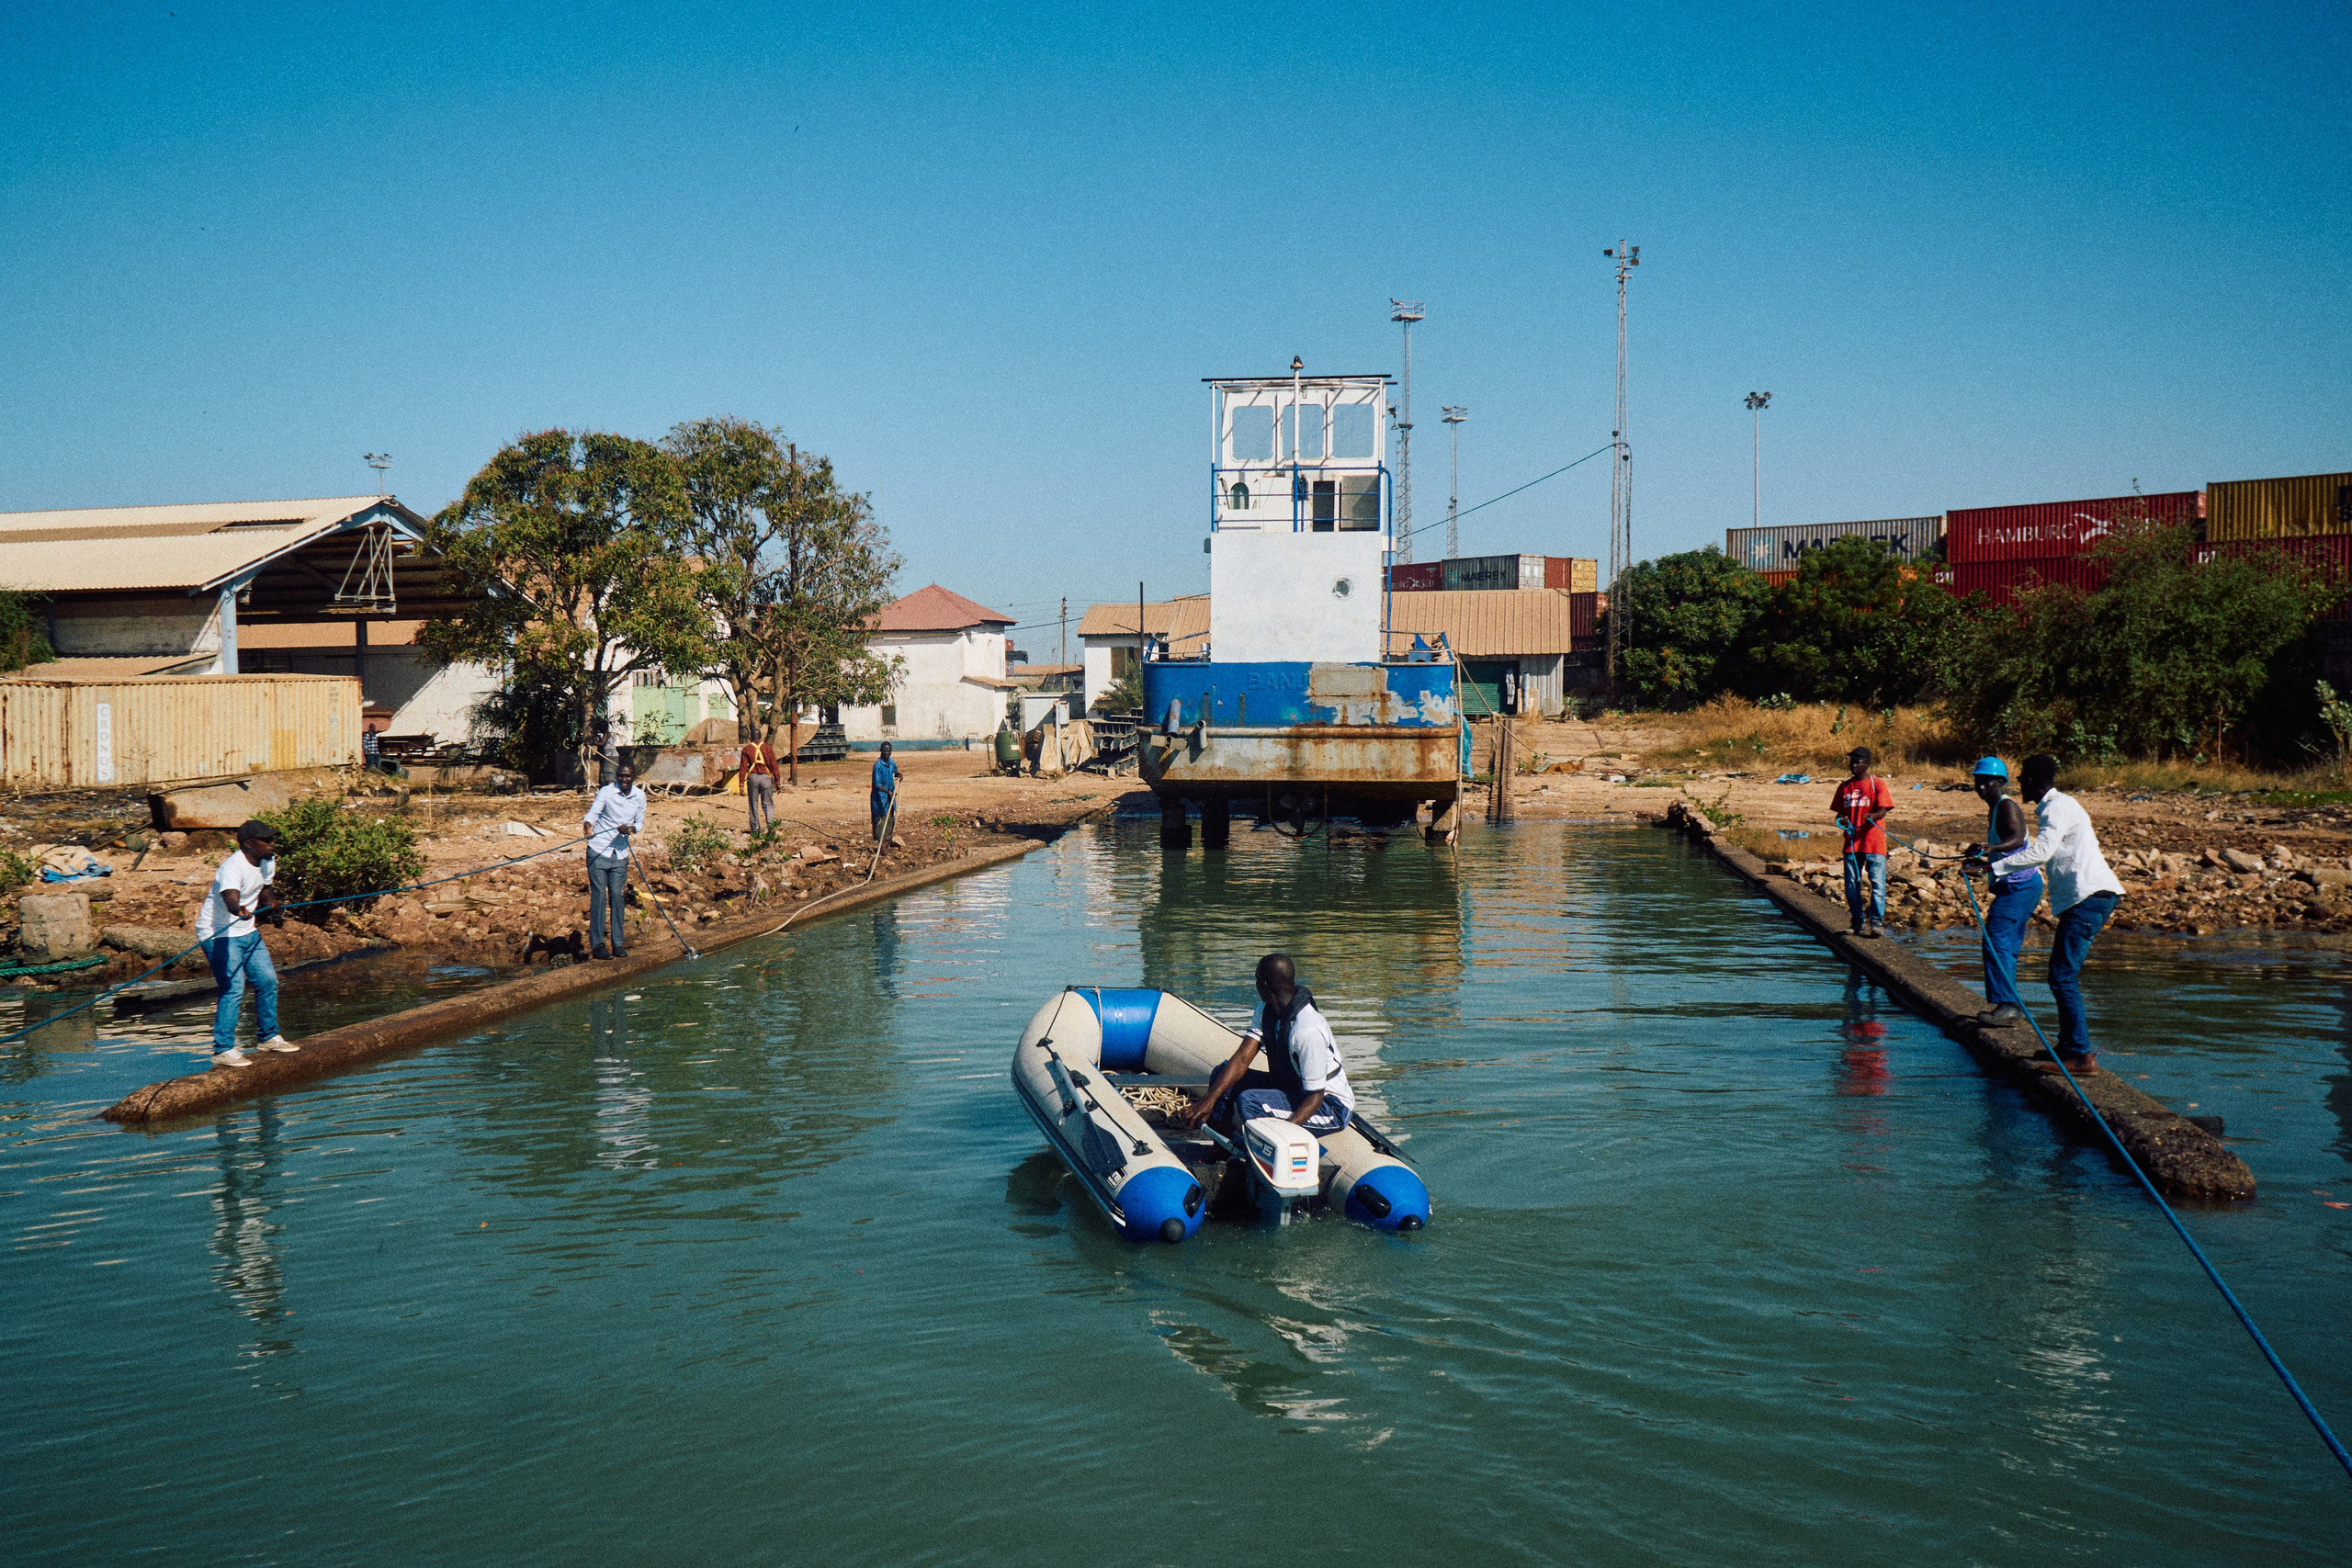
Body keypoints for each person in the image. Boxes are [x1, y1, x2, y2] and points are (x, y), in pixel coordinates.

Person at [1984, 753, 2123, 1076]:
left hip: (2090, 898)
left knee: (2062, 976)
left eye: (2021, 778)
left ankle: (2083, 1057)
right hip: (2089, 898)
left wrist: (1994, 865)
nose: (2018, 783)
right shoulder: (2059, 805)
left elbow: (2042, 851)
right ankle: (2068, 1046)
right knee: (2060, 975)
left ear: (2032, 780)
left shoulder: (2056, 807)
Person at [1177, 953, 1355, 1135]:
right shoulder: (1265, 1010)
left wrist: (1286, 1136)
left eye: (1256, 979)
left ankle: (1260, 1156)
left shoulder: (1307, 1030)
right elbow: (1242, 1058)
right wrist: (1209, 1100)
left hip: (1330, 1106)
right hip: (1293, 1087)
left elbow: (1315, 1097)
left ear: (1263, 985)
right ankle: (1222, 1146)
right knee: (1221, 1075)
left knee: (1250, 1101)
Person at [199, 819, 299, 1069]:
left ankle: (268, 1038)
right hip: (218, 933)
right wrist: (238, 910)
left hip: (247, 931)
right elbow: (231, 899)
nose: (271, 843)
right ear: (248, 844)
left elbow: (265, 889)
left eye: (272, 838)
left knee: (267, 981)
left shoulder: (267, 862)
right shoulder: (231, 867)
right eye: (266, 840)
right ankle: (223, 1049)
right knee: (233, 987)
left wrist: (272, 902)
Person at [1963, 756, 2040, 1027]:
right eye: (1978, 782)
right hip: (2015, 885)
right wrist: (1983, 864)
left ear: (2001, 783)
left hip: (2020, 886)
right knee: (2003, 945)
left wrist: (1990, 849)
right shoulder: (1995, 808)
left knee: (1996, 943)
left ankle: (2008, 1006)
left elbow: (2017, 839)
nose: (1982, 787)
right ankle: (2009, 1004)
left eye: (1987, 782)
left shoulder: (2007, 806)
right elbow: (2008, 849)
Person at [581, 760, 646, 960]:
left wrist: (631, 829)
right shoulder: (607, 792)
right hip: (599, 850)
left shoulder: (640, 796)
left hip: (620, 854)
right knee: (599, 896)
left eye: (627, 776)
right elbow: (594, 811)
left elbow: (640, 823)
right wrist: (588, 824)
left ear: (633, 777)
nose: (623, 779)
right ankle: (598, 945)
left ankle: (618, 943)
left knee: (617, 898)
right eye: (621, 776)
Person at [1831, 745, 1894, 938]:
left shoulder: (1878, 784)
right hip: (1852, 843)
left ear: (1867, 764)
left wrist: (1873, 816)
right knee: (1852, 884)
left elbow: (1883, 809)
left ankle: (1876, 922)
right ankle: (1857, 922)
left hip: (1874, 843)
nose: (1854, 765)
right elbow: (1840, 813)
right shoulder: (1844, 787)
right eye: (1852, 762)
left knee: (1877, 884)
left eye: (1858, 762)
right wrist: (1842, 819)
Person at [740, 734, 778, 835]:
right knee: (768, 804)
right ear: (761, 737)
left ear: (751, 737)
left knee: (753, 804)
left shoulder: (746, 749)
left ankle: (755, 830)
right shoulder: (767, 748)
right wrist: (777, 782)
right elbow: (774, 765)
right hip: (765, 778)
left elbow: (743, 767)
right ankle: (771, 826)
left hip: (753, 778)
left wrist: (741, 785)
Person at [870, 740, 899, 842]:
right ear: (881, 751)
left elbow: (894, 772)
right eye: (885, 750)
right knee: (880, 821)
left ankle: (887, 843)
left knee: (890, 819)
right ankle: (880, 845)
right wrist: (887, 792)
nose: (887, 752)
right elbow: (877, 784)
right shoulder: (878, 766)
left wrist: (899, 774)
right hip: (880, 799)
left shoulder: (891, 762)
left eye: (889, 750)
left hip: (890, 798)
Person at [594, 720, 621, 789]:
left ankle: (611, 789)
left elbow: (602, 743)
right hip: (609, 755)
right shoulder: (605, 735)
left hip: (611, 755)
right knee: (608, 773)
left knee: (610, 773)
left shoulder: (607, 734)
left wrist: (591, 743)